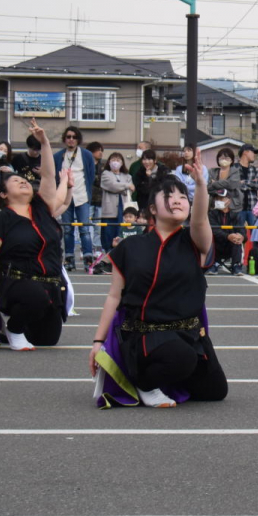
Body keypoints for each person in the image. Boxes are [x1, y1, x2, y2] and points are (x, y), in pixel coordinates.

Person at [91, 159, 228, 409]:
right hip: (145, 336)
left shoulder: (193, 241)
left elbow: (199, 221)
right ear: (152, 209)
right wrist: (98, 343)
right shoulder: (130, 247)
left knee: (214, 391)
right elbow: (114, 296)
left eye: (182, 197)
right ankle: (145, 383)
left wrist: (200, 184)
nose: (177, 200)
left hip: (188, 333)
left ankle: (167, 375)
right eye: (169, 196)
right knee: (182, 359)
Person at [0, 120, 67, 350]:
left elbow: (48, 176)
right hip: (16, 281)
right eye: (16, 181)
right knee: (34, 298)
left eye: (25, 180)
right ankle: (14, 328)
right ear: (4, 194)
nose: (23, 182)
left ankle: (8, 330)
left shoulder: (42, 209)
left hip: (50, 284)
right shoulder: (2, 219)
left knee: (47, 340)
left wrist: (45, 143)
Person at [54, 125, 96, 270]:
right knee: (67, 229)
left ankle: (88, 257)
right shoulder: (58, 156)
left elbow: (91, 175)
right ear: (65, 139)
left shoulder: (86, 155)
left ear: (78, 139)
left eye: (74, 137)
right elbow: (55, 176)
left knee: (84, 228)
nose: (71, 140)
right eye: (68, 137)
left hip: (82, 195)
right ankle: (69, 258)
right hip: (65, 196)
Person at [98, 152, 133, 255]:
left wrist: (121, 187)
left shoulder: (127, 175)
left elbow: (129, 190)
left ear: (122, 163)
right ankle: (108, 252)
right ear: (109, 162)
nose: (115, 162)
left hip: (123, 207)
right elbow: (111, 186)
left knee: (121, 231)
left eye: (118, 160)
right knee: (108, 231)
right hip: (109, 208)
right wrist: (126, 186)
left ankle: (119, 252)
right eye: (113, 160)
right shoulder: (105, 174)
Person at [208, 187, 246, 275]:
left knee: (237, 240)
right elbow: (214, 230)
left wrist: (241, 236)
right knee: (209, 239)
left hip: (231, 244)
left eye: (221, 199)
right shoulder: (212, 214)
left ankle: (236, 265)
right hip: (216, 244)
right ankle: (214, 264)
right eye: (217, 199)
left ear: (229, 200)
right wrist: (228, 236)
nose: (218, 201)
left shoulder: (236, 215)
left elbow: (242, 230)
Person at [208, 147, 244, 219]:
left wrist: (215, 183)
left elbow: (232, 185)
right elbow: (207, 187)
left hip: (232, 206)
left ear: (231, 160)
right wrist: (223, 186)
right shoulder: (212, 171)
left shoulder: (236, 171)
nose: (224, 160)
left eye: (227, 158)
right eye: (222, 158)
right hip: (214, 205)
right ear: (218, 159)